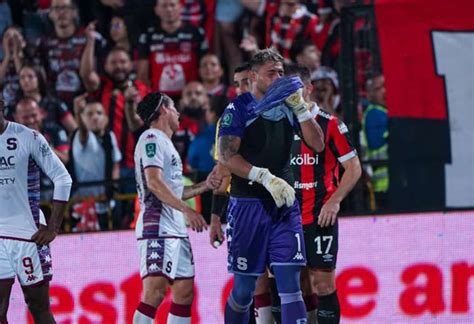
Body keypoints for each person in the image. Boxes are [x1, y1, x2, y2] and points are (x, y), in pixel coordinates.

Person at [218, 48, 324, 323]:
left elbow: (318, 144)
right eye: (271, 73)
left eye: (280, 73)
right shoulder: (238, 108)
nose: (278, 78)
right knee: (244, 290)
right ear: (253, 76)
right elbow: (228, 157)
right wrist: (263, 176)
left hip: (283, 204)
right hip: (247, 205)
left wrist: (301, 109)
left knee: (291, 284)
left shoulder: (289, 106)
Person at [132, 92, 221, 323]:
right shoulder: (151, 138)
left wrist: (205, 186)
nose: (178, 113)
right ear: (163, 109)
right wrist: (187, 210)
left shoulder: (165, 143)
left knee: (184, 292)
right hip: (157, 225)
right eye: (174, 108)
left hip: (175, 226)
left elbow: (172, 190)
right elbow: (154, 182)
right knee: (155, 292)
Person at [286, 63, 361, 323]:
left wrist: (335, 201)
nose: (290, 94)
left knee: (324, 285)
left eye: (295, 87)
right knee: (297, 286)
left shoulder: (330, 124)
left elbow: (353, 168)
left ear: (309, 88)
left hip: (320, 217)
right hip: (287, 219)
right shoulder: (280, 125)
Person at [0, 93, 72, 324]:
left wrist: (53, 227)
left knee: (39, 308)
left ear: (1, 105)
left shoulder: (28, 137)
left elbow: (63, 178)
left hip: (27, 236)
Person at [69, 95, 122, 231]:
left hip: (106, 203)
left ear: (106, 118)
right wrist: (77, 113)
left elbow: (116, 164)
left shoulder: (110, 136)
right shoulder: (80, 136)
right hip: (83, 205)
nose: (95, 117)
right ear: (82, 118)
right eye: (89, 114)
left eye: (99, 113)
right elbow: (83, 130)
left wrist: (113, 189)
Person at [137, 0, 208, 99]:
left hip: (191, 98)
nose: (169, 9)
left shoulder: (196, 33)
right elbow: (142, 75)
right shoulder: (147, 36)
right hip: (159, 99)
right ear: (156, 10)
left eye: (172, 5)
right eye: (164, 6)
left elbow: (205, 67)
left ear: (180, 8)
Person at [361, 73, 388, 210]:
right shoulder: (374, 113)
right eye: (379, 88)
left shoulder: (385, 111)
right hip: (385, 184)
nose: (385, 91)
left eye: (386, 86)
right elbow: (377, 144)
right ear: (369, 95)